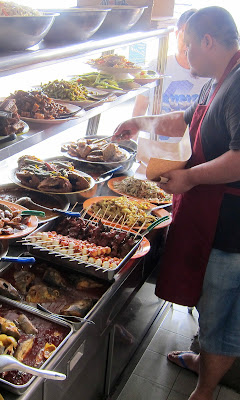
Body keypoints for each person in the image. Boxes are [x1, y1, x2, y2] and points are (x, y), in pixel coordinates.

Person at [113, 6, 240, 400]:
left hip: (230, 224)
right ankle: (205, 360)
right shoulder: (217, 80)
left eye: (187, 45)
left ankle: (204, 390)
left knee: (221, 310)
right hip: (207, 214)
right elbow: (182, 120)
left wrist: (190, 177)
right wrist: (141, 123)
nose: (184, 56)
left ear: (208, 40)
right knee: (207, 299)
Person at [132, 9, 208, 118]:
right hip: (155, 134)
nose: (188, 46)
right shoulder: (156, 66)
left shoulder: (208, 74)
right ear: (176, 34)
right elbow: (137, 114)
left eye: (195, 38)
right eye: (186, 36)